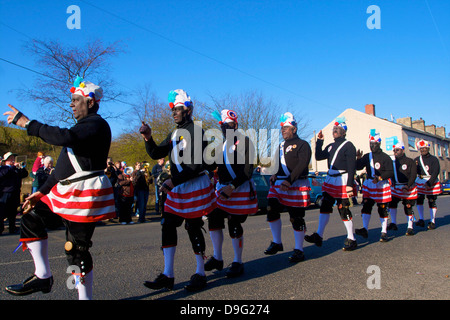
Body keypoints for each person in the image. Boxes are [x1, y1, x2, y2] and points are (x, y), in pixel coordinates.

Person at [3, 76, 115, 300]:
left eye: (75, 100)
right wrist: (41, 192)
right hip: (67, 192)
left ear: (90, 102)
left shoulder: (96, 125)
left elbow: (65, 137)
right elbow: (61, 171)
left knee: (76, 250)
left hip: (85, 194)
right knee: (31, 216)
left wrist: (28, 124)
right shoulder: (82, 128)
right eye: (71, 100)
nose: (71, 104)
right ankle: (43, 276)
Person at [141, 89, 216, 292]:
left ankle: (200, 272)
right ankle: (168, 274)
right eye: (173, 109)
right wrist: (148, 138)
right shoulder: (174, 132)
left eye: (178, 109)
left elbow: (195, 164)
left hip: (192, 183)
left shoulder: (196, 131)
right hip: (179, 185)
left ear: (189, 110)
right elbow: (157, 152)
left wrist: (173, 181)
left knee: (193, 227)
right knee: (167, 224)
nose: (174, 112)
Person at [205, 109, 257, 278]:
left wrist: (232, 186)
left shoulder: (246, 142)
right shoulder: (221, 146)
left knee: (234, 222)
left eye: (227, 125)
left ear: (235, 125)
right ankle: (218, 257)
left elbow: (248, 170)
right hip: (223, 189)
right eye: (222, 126)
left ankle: (237, 261)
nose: (224, 128)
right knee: (213, 217)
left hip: (239, 189)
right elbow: (212, 165)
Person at [264, 112, 311, 262]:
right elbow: (278, 165)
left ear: (294, 129)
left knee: (295, 217)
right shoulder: (280, 146)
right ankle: (277, 242)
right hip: (280, 183)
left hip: (295, 183)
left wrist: (289, 180)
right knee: (271, 208)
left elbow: (302, 164)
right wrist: (275, 175)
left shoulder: (303, 145)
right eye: (282, 128)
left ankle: (299, 249)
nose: (283, 130)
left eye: (286, 128)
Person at [305, 117, 357, 251]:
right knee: (325, 206)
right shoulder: (330, 145)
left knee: (343, 208)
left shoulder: (349, 145)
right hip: (331, 179)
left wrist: (350, 184)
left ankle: (351, 238)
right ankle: (319, 235)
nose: (335, 130)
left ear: (344, 132)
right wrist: (320, 141)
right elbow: (318, 156)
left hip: (343, 180)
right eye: (334, 129)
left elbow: (352, 166)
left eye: (338, 129)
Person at [355, 130, 394, 242]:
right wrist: (358, 158)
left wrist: (380, 178)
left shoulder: (385, 157)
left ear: (379, 144)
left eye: (374, 144)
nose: (372, 146)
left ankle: (384, 232)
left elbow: (390, 172)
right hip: (370, 185)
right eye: (370, 144)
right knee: (366, 206)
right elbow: (358, 167)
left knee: (382, 208)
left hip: (381, 185)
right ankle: (365, 229)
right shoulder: (367, 156)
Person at [387, 140, 418, 236]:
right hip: (395, 187)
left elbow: (413, 175)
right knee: (392, 204)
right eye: (394, 150)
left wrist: (408, 185)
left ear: (403, 150)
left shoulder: (410, 161)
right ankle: (394, 223)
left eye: (397, 150)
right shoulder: (392, 162)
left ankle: (410, 227)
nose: (395, 152)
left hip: (407, 186)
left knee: (408, 207)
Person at [414, 139, 441, 229]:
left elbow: (436, 172)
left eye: (424, 148)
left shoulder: (434, 159)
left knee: (431, 201)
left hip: (431, 181)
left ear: (428, 148)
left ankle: (432, 221)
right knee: (419, 200)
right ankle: (421, 219)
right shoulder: (417, 160)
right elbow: (414, 172)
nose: (423, 150)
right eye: (421, 149)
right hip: (420, 181)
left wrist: (429, 183)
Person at [0, 152, 28, 235]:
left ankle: (12, 228)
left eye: (13, 158)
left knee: (13, 212)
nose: (12, 160)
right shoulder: (3, 168)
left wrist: (22, 168)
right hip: (5, 192)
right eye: (10, 158)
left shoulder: (16, 169)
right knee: (2, 212)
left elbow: (24, 174)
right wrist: (12, 167)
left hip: (15, 192)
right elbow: (2, 174)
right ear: (6, 160)